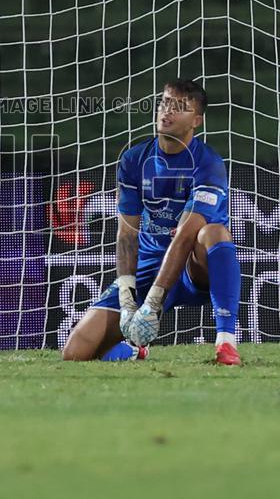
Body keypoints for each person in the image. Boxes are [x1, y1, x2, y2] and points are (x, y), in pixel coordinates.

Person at [61, 78, 243, 365]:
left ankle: (226, 342)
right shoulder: (134, 160)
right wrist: (127, 298)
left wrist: (153, 301)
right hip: (150, 266)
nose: (167, 111)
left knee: (214, 233)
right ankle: (133, 350)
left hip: (192, 268)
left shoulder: (209, 163)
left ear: (197, 120)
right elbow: (126, 235)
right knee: (76, 351)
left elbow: (185, 236)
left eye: (179, 107)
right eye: (164, 103)